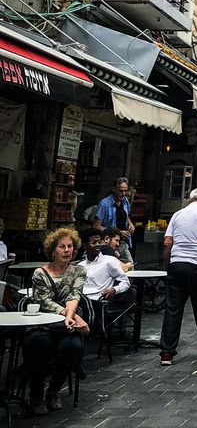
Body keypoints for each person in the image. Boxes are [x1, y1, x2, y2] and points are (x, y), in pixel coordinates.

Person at [23, 228, 89, 414]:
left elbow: (74, 295)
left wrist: (69, 317)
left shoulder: (78, 271)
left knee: (73, 346)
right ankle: (35, 395)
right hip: (43, 323)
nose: (67, 250)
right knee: (39, 343)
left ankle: (53, 390)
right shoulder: (40, 273)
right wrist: (72, 316)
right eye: (62, 247)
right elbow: (44, 301)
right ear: (53, 250)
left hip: (66, 324)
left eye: (70, 246)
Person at [159, 187, 197, 367]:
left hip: (177, 264)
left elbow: (168, 242)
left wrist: (168, 265)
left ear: (189, 199)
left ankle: (167, 352)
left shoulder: (177, 214)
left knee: (173, 308)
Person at [79, 228, 132, 305]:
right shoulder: (80, 265)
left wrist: (115, 290)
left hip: (99, 301)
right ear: (85, 246)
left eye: (99, 242)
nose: (98, 245)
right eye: (94, 243)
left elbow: (125, 282)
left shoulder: (109, 261)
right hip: (80, 300)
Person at [94, 177, 134, 255]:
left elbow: (125, 215)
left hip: (123, 242)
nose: (123, 194)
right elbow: (96, 226)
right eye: (120, 191)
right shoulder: (105, 204)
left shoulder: (125, 201)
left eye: (125, 191)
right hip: (109, 242)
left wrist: (130, 224)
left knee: (128, 262)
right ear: (114, 189)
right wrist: (118, 232)